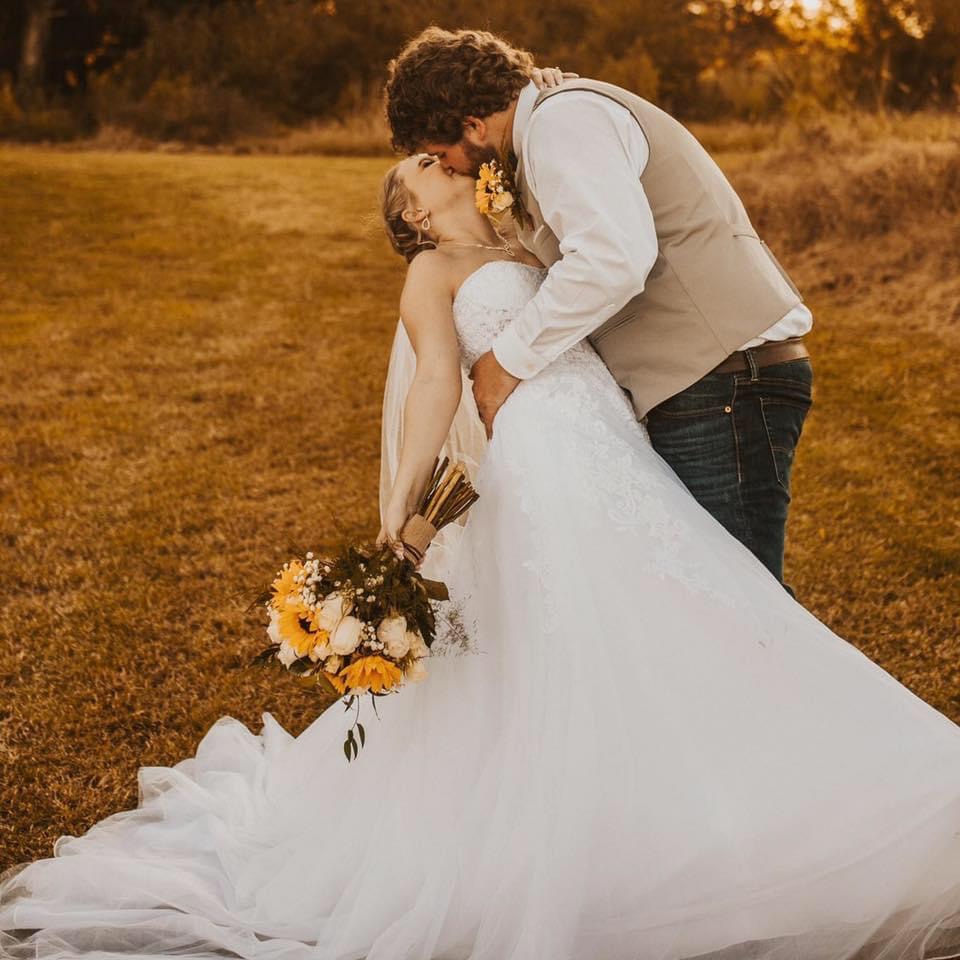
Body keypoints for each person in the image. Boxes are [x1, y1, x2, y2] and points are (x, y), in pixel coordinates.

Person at [2, 104, 960, 959]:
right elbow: (432, 384)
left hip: (615, 452)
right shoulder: (433, 272)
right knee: (580, 631)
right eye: (417, 168)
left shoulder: (532, 250)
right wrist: (402, 510)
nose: (433, 161)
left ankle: (734, 815)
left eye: (432, 153)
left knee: (689, 609)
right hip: (536, 466)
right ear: (412, 215)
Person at [384, 27, 815, 594]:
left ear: (474, 125)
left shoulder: (563, 124)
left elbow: (612, 260)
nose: (457, 170)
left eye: (443, 155)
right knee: (696, 598)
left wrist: (504, 362)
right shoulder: (550, 127)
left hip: (725, 376)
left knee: (740, 604)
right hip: (688, 387)